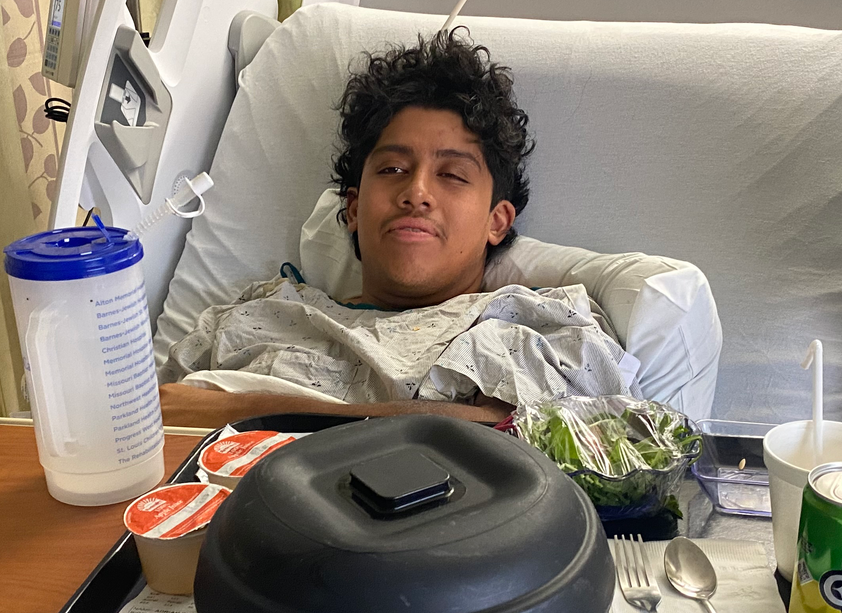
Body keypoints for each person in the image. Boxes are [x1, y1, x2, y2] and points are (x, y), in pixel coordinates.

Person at [158, 30, 636, 428]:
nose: (417, 192)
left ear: (497, 222)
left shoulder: (532, 326)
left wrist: (236, 410)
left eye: (452, 175)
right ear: (353, 208)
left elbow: (535, 445)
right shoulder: (252, 316)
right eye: (392, 169)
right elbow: (149, 428)